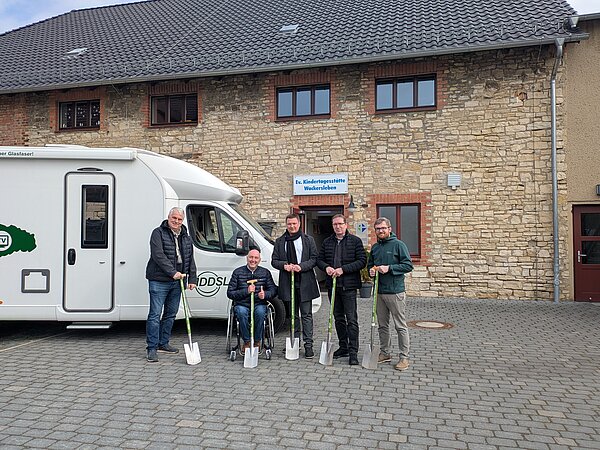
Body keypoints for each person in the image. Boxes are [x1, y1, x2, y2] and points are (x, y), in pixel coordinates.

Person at [145, 207, 197, 363]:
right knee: (155, 315)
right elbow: (158, 255)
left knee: (170, 314)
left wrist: (192, 279)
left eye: (179, 219)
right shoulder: (158, 233)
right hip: (159, 280)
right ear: (168, 217)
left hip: (177, 281)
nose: (176, 221)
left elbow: (190, 258)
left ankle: (163, 343)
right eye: (174, 218)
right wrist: (172, 272)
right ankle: (152, 348)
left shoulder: (186, 236)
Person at [317, 214, 366, 365]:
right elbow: (319, 259)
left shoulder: (355, 241)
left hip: (349, 286)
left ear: (346, 225)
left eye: (340, 224)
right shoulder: (327, 242)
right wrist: (327, 267)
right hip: (333, 286)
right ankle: (343, 347)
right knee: (338, 318)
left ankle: (353, 352)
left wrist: (343, 269)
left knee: (351, 320)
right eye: (335, 224)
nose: (337, 227)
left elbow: (362, 261)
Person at [367, 217, 414, 371]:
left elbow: (408, 265)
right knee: (382, 325)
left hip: (395, 292)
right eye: (378, 229)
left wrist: (390, 268)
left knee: (400, 325)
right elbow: (370, 265)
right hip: (379, 292)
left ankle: (404, 357)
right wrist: (371, 271)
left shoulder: (399, 245)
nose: (380, 231)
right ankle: (385, 353)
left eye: (383, 228)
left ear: (389, 229)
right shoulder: (375, 247)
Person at [271, 213, 320, 358]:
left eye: (294, 223)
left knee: (306, 315)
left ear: (299, 224)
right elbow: (274, 260)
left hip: (305, 282)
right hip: (288, 282)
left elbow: (314, 259)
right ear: (286, 225)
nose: (292, 226)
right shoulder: (280, 241)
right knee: (293, 315)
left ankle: (308, 345)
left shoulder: (308, 240)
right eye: (289, 224)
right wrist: (284, 265)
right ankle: (294, 343)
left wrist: (301, 266)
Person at [227, 248, 277, 354]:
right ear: (247, 258)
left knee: (260, 312)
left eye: (256, 258)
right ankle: (247, 341)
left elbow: (273, 290)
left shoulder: (265, 273)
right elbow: (230, 293)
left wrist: (265, 294)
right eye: (251, 257)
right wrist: (246, 291)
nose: (253, 260)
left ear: (259, 260)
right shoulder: (237, 272)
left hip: (259, 303)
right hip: (242, 304)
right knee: (241, 312)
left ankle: (257, 341)